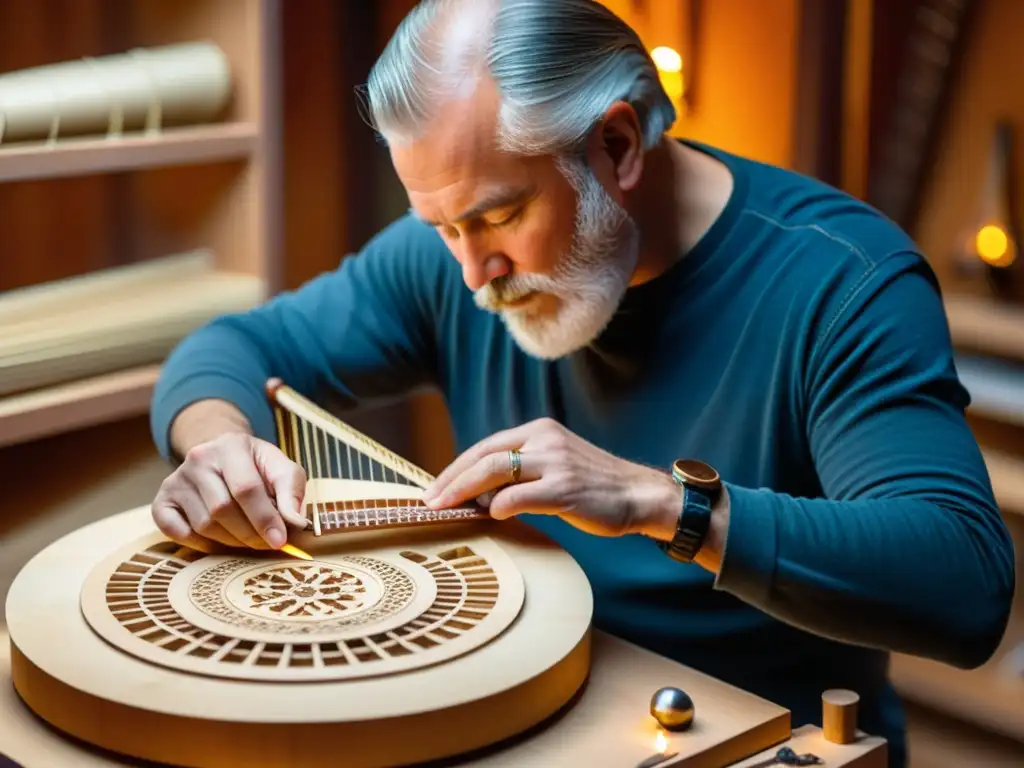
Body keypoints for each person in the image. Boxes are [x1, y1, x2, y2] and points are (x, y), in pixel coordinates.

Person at [148, 1, 1015, 765]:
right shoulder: (454, 251)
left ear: (617, 143)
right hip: (525, 716)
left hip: (756, 743)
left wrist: (658, 504)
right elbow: (228, 349)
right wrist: (219, 444)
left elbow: (962, 584)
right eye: (440, 226)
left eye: (499, 216)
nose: (474, 274)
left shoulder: (843, 281)